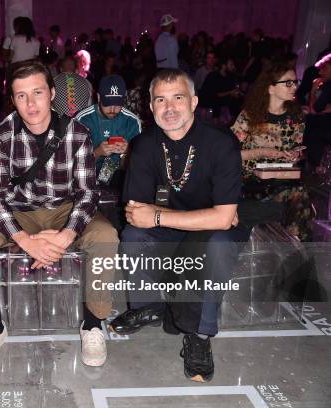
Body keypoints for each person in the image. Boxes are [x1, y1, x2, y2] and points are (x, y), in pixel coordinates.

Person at [0, 60, 118, 370]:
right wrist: (25, 241)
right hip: (20, 211)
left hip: (65, 210)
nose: (30, 103)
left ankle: (92, 324)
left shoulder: (77, 132)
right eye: (21, 95)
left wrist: (65, 236)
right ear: (13, 99)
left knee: (106, 235)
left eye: (37, 92)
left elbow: (88, 193)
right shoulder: (2, 134)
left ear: (51, 94)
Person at [110, 69, 248, 383]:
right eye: (161, 100)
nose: (169, 107)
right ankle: (149, 306)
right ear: (150, 106)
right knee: (132, 235)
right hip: (179, 227)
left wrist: (159, 215)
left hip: (214, 234)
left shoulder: (221, 142)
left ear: (194, 102)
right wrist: (205, 215)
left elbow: (223, 220)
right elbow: (135, 213)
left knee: (218, 243)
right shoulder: (144, 145)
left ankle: (200, 336)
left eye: (178, 98)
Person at [231, 62, 312, 241]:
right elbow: (228, 155)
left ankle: (293, 244)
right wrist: (260, 152)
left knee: (298, 192)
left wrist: (294, 154)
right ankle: (296, 245)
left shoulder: (295, 117)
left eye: (295, 82)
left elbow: (295, 151)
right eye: (288, 83)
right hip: (250, 179)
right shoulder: (250, 116)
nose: (294, 87)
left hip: (282, 178)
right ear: (271, 88)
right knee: (298, 194)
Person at [76, 75, 141, 188]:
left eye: (117, 104)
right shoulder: (83, 119)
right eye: (108, 103)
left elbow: (141, 166)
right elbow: (72, 163)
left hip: (120, 180)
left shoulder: (131, 121)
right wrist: (97, 152)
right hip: (87, 179)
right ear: (99, 97)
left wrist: (127, 152)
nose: (112, 110)